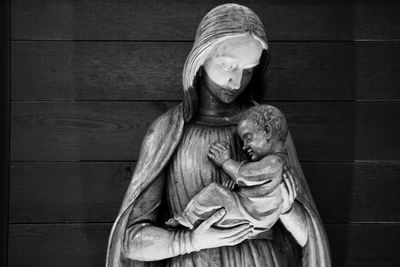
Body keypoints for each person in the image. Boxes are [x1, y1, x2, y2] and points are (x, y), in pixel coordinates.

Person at [107, 3, 331, 267]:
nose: (237, 82)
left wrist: (284, 207)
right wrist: (190, 241)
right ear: (200, 59)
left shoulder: (267, 129)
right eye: (227, 64)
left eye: (248, 70)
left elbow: (308, 239)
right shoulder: (168, 131)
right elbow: (131, 242)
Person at [166, 105, 289, 234]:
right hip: (254, 216)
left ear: (267, 131)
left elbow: (245, 174)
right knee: (219, 204)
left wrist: (225, 162)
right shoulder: (278, 162)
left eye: (248, 138)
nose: (244, 147)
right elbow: (255, 182)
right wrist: (236, 184)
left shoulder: (274, 162)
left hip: (251, 214)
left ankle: (187, 220)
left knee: (213, 191)